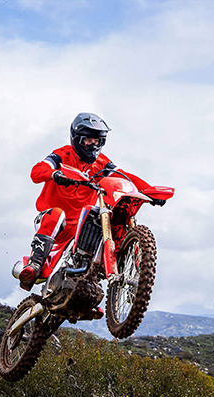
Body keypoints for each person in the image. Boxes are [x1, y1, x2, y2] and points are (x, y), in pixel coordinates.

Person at [18, 112, 150, 292]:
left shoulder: (103, 164)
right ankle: (34, 265)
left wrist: (149, 192)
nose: (93, 145)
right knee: (57, 214)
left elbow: (125, 177)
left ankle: (93, 283)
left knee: (105, 224)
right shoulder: (62, 155)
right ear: (76, 139)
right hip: (53, 221)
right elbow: (37, 171)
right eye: (88, 140)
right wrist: (55, 174)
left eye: (98, 141)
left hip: (80, 226)